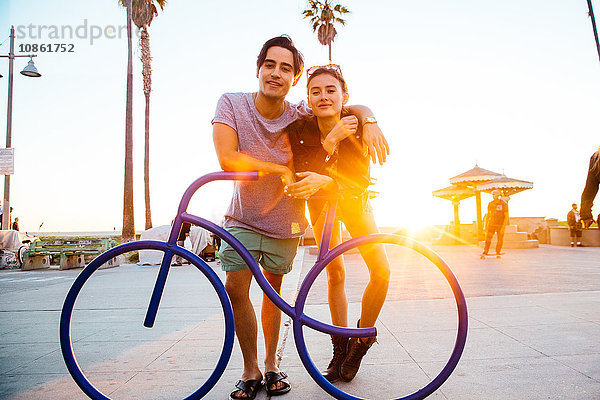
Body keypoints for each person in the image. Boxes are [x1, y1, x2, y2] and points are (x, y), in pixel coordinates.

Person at [212, 36, 386, 400]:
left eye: (286, 68)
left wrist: (367, 118)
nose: (276, 73)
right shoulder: (252, 108)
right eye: (270, 65)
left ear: (294, 78)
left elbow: (341, 111)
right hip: (269, 211)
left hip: (319, 209)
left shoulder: (320, 117)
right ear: (259, 68)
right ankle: (264, 365)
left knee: (280, 292)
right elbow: (233, 159)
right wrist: (288, 165)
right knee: (245, 286)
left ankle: (342, 345)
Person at [285, 65, 390, 383]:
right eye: (315, 91)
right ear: (308, 98)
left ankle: (362, 339)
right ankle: (340, 345)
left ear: (344, 96)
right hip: (320, 206)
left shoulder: (358, 124)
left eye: (331, 90)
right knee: (334, 271)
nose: (323, 96)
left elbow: (357, 181)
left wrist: (368, 119)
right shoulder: (301, 129)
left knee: (381, 270)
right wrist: (330, 140)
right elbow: (305, 173)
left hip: (354, 202)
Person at [481, 190, 509, 259]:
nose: (493, 195)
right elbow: (488, 214)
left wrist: (504, 226)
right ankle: (485, 251)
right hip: (491, 224)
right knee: (488, 238)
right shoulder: (490, 203)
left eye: (494, 194)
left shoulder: (503, 204)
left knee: (500, 239)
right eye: (492, 194)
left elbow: (506, 216)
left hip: (500, 224)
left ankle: (498, 251)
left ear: (498, 195)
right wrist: (486, 224)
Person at [581, 148, 600, 229]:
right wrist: (585, 214)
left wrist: (585, 214)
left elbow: (590, 188)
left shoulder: (596, 157)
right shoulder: (596, 158)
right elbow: (590, 188)